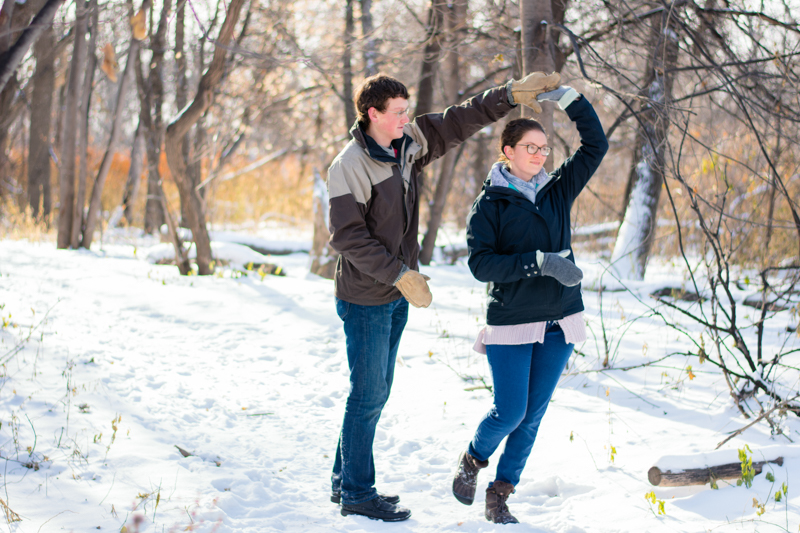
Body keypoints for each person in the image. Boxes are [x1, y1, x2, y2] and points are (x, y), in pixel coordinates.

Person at [327, 72, 560, 522]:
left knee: (374, 392)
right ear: (373, 114)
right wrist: (399, 275)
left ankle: (345, 482)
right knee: (368, 394)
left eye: (406, 109)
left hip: (397, 293)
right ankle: (356, 492)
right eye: (397, 111)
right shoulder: (350, 165)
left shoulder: (408, 142)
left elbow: (458, 121)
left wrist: (508, 96)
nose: (406, 117)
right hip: (366, 297)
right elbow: (347, 237)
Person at [451, 86, 609, 524]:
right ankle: (472, 458)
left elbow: (596, 145)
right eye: (530, 148)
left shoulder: (558, 191)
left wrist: (572, 99)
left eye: (543, 148)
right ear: (508, 151)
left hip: (559, 319)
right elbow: (481, 265)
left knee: (532, 416)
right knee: (511, 410)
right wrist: (537, 263)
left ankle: (500, 494)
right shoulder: (490, 205)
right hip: (513, 320)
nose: (539, 155)